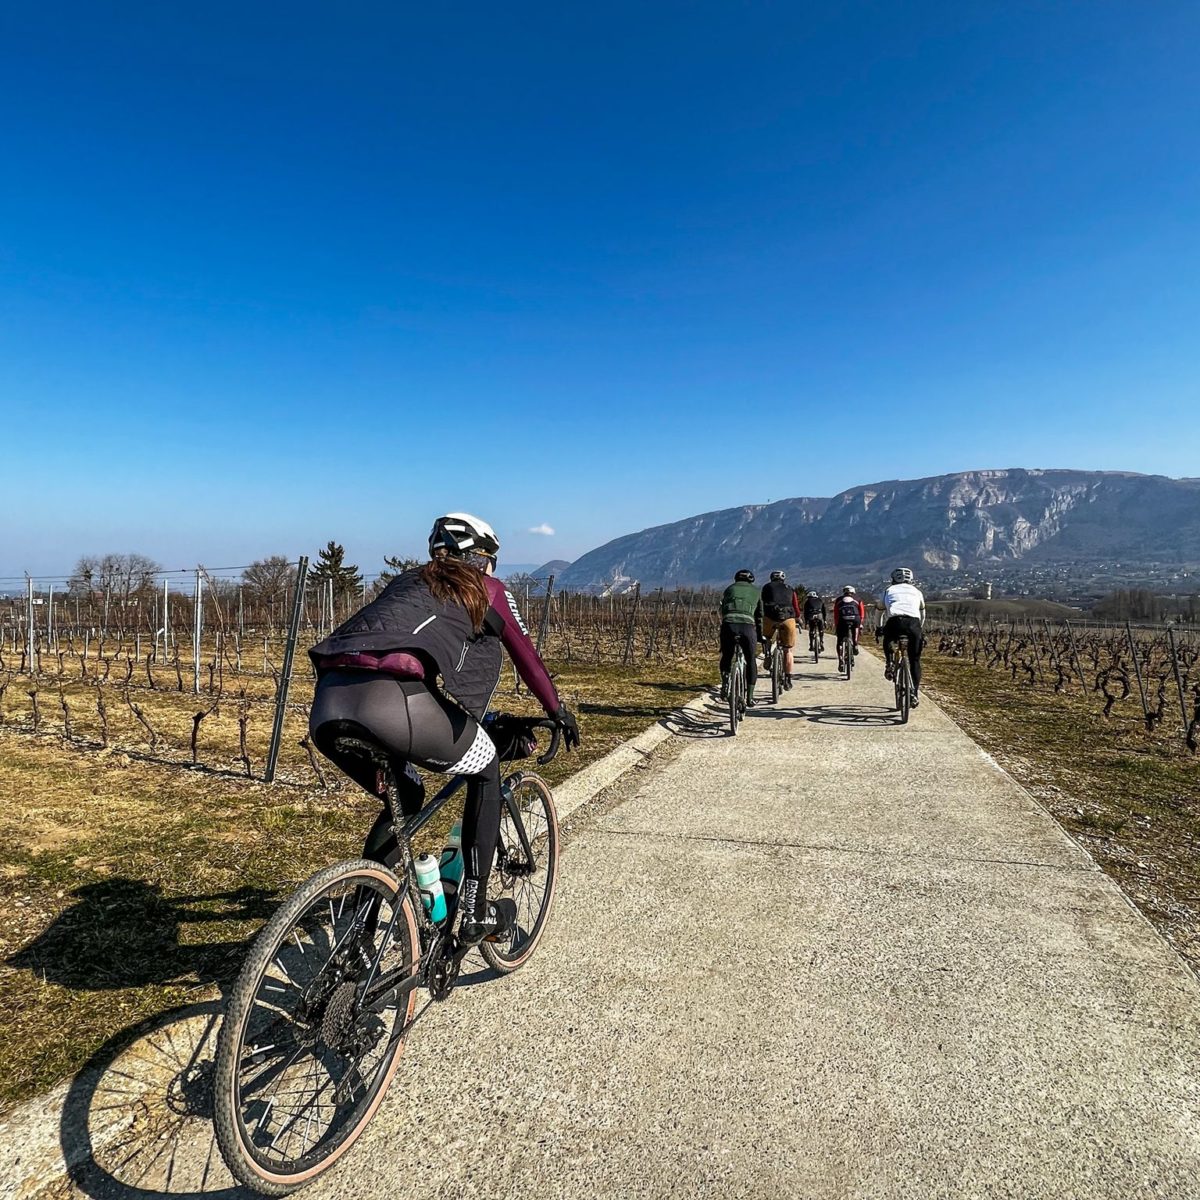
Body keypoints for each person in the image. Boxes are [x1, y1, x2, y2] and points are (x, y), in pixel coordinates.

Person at [307, 513, 580, 945]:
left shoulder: (408, 583)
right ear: (479, 558)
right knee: (486, 765)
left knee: (407, 795)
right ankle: (475, 910)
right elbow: (526, 655)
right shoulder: (485, 589)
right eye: (491, 560)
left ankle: (357, 933)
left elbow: (406, 657)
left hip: (328, 703)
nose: (493, 570)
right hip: (393, 703)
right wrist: (557, 708)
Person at [879, 566, 926, 706]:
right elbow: (923, 613)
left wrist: (878, 627)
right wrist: (919, 629)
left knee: (888, 638)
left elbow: (879, 610)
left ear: (893, 579)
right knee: (915, 660)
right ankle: (914, 694)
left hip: (895, 621)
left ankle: (889, 663)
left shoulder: (888, 590)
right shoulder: (917, 591)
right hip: (914, 624)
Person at [719, 569, 763, 706]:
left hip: (729, 625)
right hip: (747, 628)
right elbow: (760, 616)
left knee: (726, 656)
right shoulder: (756, 591)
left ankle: (725, 683)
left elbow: (723, 610)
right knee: (750, 660)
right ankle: (750, 697)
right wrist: (760, 636)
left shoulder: (729, 589)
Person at [760, 570, 801, 686]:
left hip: (770, 617)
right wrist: (797, 617)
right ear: (783, 579)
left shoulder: (766, 587)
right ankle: (788, 679)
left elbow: (762, 603)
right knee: (788, 650)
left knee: (767, 637)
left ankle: (767, 653)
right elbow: (796, 607)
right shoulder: (790, 589)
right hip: (787, 618)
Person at [833, 585, 865, 670]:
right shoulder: (858, 599)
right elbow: (861, 613)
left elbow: (836, 614)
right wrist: (860, 624)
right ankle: (855, 644)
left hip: (842, 620)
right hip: (855, 619)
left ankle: (840, 660)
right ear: (853, 592)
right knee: (856, 633)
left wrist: (836, 626)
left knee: (839, 641)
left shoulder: (839, 600)